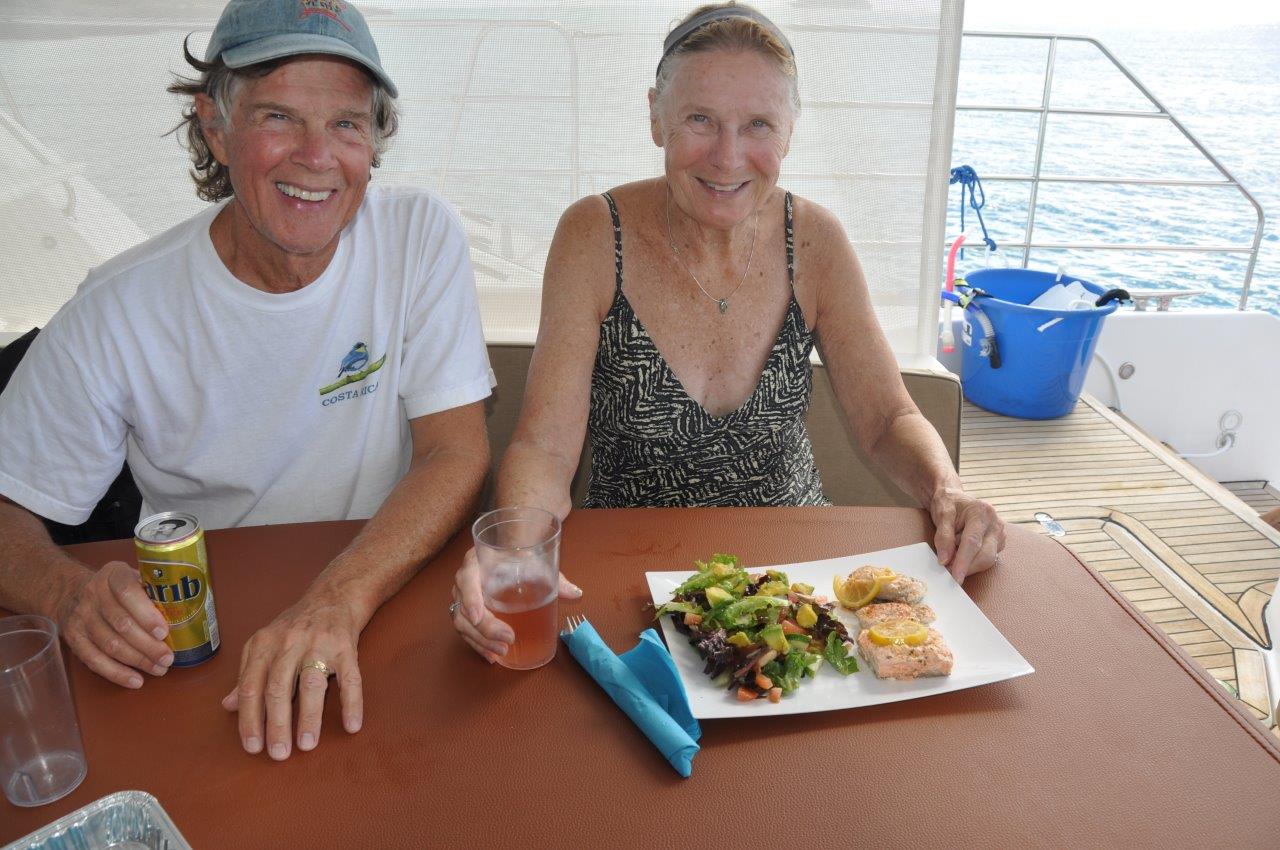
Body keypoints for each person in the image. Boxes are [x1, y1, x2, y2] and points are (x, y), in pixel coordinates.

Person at [0, 0, 494, 760]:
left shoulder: (419, 238)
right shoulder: (117, 308)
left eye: (347, 124)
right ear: (214, 127)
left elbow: (453, 452)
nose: (316, 156)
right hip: (205, 641)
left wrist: (335, 600)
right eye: (279, 117)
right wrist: (66, 593)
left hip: (384, 591)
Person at [451, 2, 1005, 663]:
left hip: (792, 582)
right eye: (700, 120)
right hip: (626, 573)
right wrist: (515, 556)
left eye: (758, 125)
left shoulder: (818, 242)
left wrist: (949, 491)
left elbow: (887, 417)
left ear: (791, 130)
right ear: (656, 114)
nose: (728, 156)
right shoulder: (594, 236)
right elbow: (544, 448)